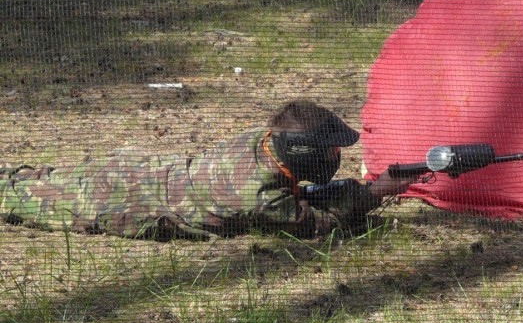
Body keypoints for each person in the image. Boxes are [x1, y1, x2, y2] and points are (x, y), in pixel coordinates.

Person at [0, 99, 414, 240]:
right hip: (127, 207)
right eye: (328, 152)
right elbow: (318, 226)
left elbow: (299, 191)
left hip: (137, 171)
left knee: (36, 180)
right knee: (21, 198)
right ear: (302, 153)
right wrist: (381, 191)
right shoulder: (260, 197)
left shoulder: (262, 138)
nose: (335, 157)